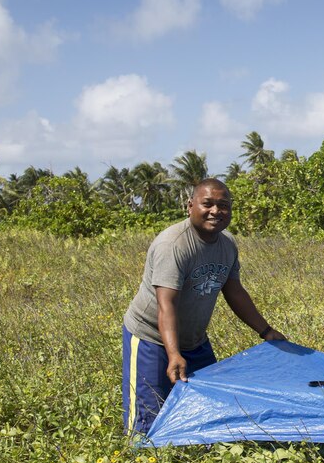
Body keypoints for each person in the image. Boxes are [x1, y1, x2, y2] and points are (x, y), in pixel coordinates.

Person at [122, 178, 286, 435]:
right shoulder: (173, 245)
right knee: (148, 421)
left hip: (195, 340)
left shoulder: (227, 244)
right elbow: (167, 305)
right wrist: (174, 354)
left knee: (210, 407)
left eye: (223, 206)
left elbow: (233, 291)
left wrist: (266, 331)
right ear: (190, 206)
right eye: (207, 204)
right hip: (151, 337)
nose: (215, 211)